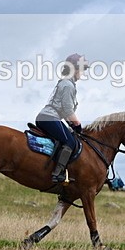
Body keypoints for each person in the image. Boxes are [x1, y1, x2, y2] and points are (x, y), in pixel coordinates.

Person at [35, 53, 89, 183]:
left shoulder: (66, 83)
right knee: (70, 142)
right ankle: (57, 173)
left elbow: (64, 112)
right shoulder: (68, 85)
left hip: (50, 117)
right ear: (75, 69)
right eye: (82, 70)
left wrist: (72, 126)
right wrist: (77, 125)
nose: (82, 74)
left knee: (68, 136)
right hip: (49, 117)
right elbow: (67, 110)